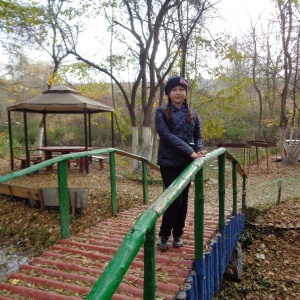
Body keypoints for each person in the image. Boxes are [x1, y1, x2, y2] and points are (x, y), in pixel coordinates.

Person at [155, 75, 206, 251]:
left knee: (183, 199)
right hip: (169, 162)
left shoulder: (194, 113)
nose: (178, 93)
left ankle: (178, 234)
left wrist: (198, 150)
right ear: (169, 93)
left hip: (188, 162)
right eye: (174, 89)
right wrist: (190, 151)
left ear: (186, 92)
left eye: (181, 89)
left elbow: (197, 136)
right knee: (173, 199)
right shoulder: (161, 112)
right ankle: (163, 234)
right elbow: (167, 136)